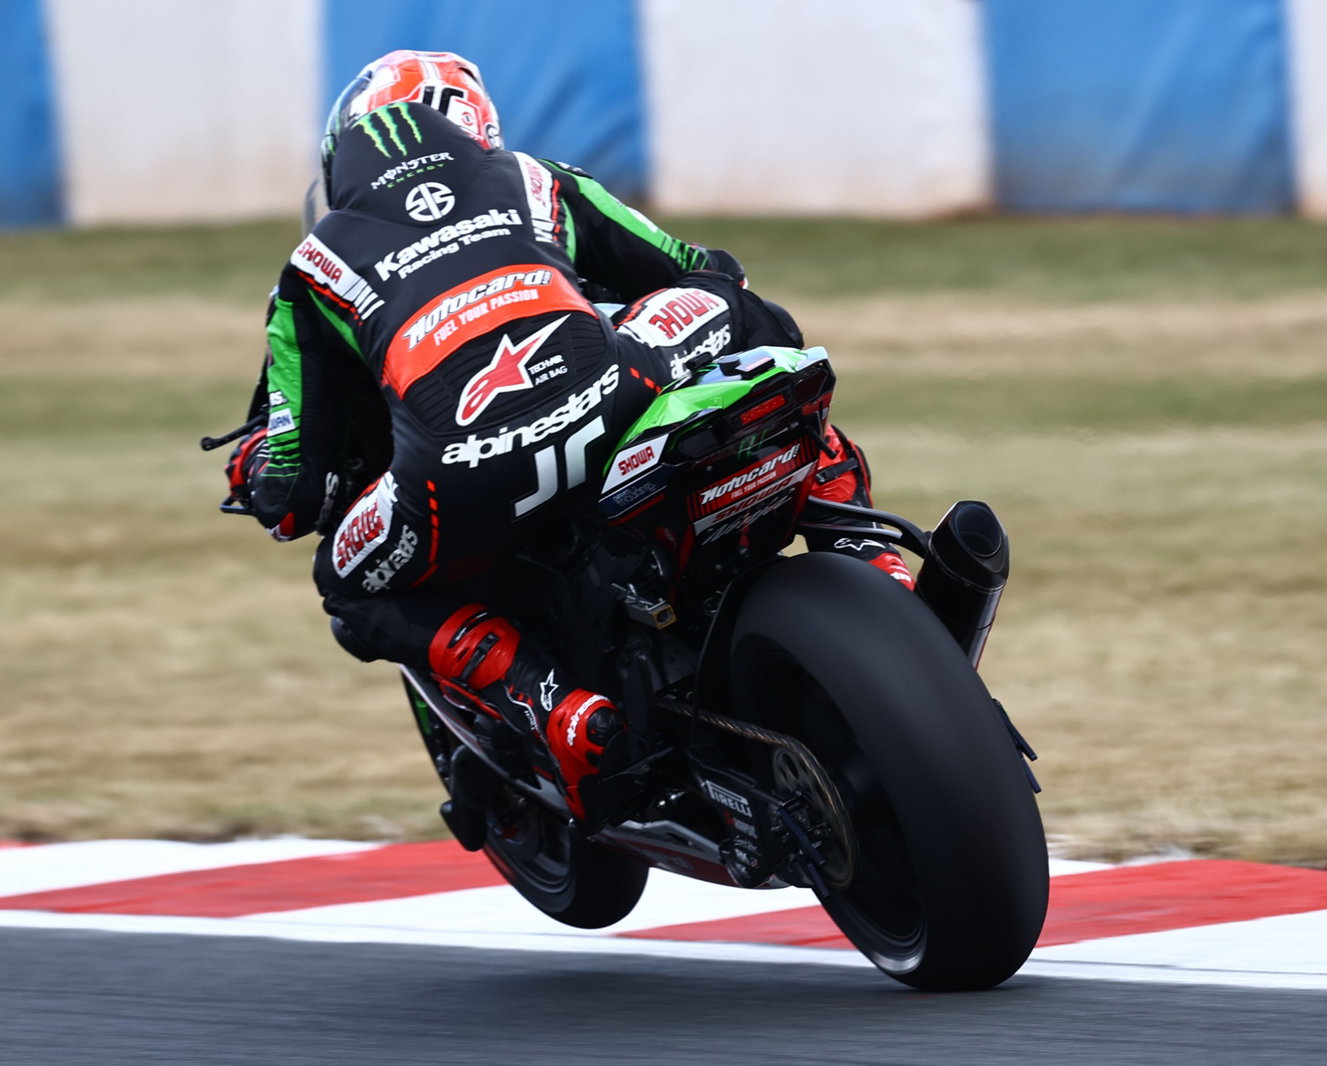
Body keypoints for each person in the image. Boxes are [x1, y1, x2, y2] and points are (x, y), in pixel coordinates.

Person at [224, 50, 911, 824]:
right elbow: (697, 268)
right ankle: (872, 560)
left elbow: (295, 488)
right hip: (616, 396)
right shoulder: (531, 178)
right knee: (764, 344)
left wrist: (252, 473)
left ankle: (553, 707)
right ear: (477, 125)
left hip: (458, 479)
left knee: (348, 582)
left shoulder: (313, 266)